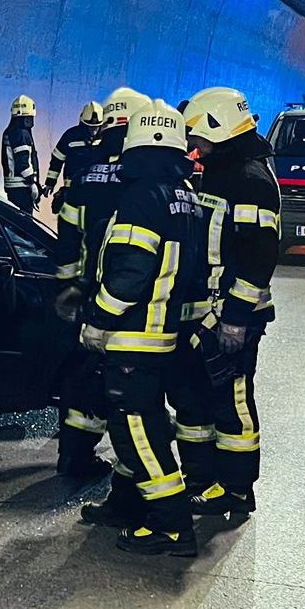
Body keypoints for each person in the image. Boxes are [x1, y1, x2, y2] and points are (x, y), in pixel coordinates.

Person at [79, 100, 204, 556]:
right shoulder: (183, 193)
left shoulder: (141, 195)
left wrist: (98, 319)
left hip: (133, 337)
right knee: (141, 423)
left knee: (137, 433)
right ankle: (126, 504)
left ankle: (171, 525)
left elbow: (131, 272)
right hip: (162, 334)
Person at [171, 87, 280, 522]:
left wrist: (234, 320)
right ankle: (200, 481)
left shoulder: (251, 179)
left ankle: (236, 490)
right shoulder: (216, 171)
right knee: (192, 400)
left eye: (196, 137)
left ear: (217, 126)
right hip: (201, 314)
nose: (193, 148)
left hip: (235, 318)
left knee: (232, 402)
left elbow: (257, 257)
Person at [51, 87, 152, 482]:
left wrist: (70, 284)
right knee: (131, 387)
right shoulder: (143, 175)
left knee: (84, 379)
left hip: (91, 293)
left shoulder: (85, 174)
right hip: (133, 300)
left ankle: (73, 460)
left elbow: (68, 238)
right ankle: (133, 477)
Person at [43, 100, 104, 212]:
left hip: (96, 192)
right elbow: (57, 160)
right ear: (83, 124)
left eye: (96, 127)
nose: (94, 131)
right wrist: (50, 183)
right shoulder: (70, 136)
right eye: (90, 127)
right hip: (72, 191)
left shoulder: (105, 139)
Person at [1, 95, 41, 214]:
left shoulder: (10, 131)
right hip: (22, 188)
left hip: (13, 188)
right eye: (29, 118)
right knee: (25, 226)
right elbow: (23, 163)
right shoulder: (21, 134)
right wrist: (32, 183)